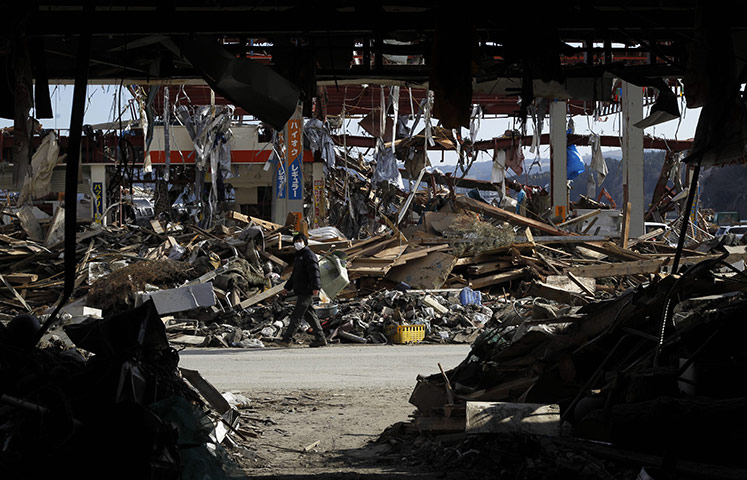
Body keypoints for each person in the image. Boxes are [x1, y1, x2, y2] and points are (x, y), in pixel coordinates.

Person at [278, 233, 328, 347]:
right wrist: (287, 287)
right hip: (301, 290)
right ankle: (321, 338)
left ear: (305, 242)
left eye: (300, 241)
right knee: (310, 314)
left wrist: (316, 287)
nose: (297, 243)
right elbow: (295, 274)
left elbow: (314, 272)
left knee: (297, 315)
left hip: (307, 290)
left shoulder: (309, 255)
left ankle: (286, 339)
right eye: (296, 241)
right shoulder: (299, 256)